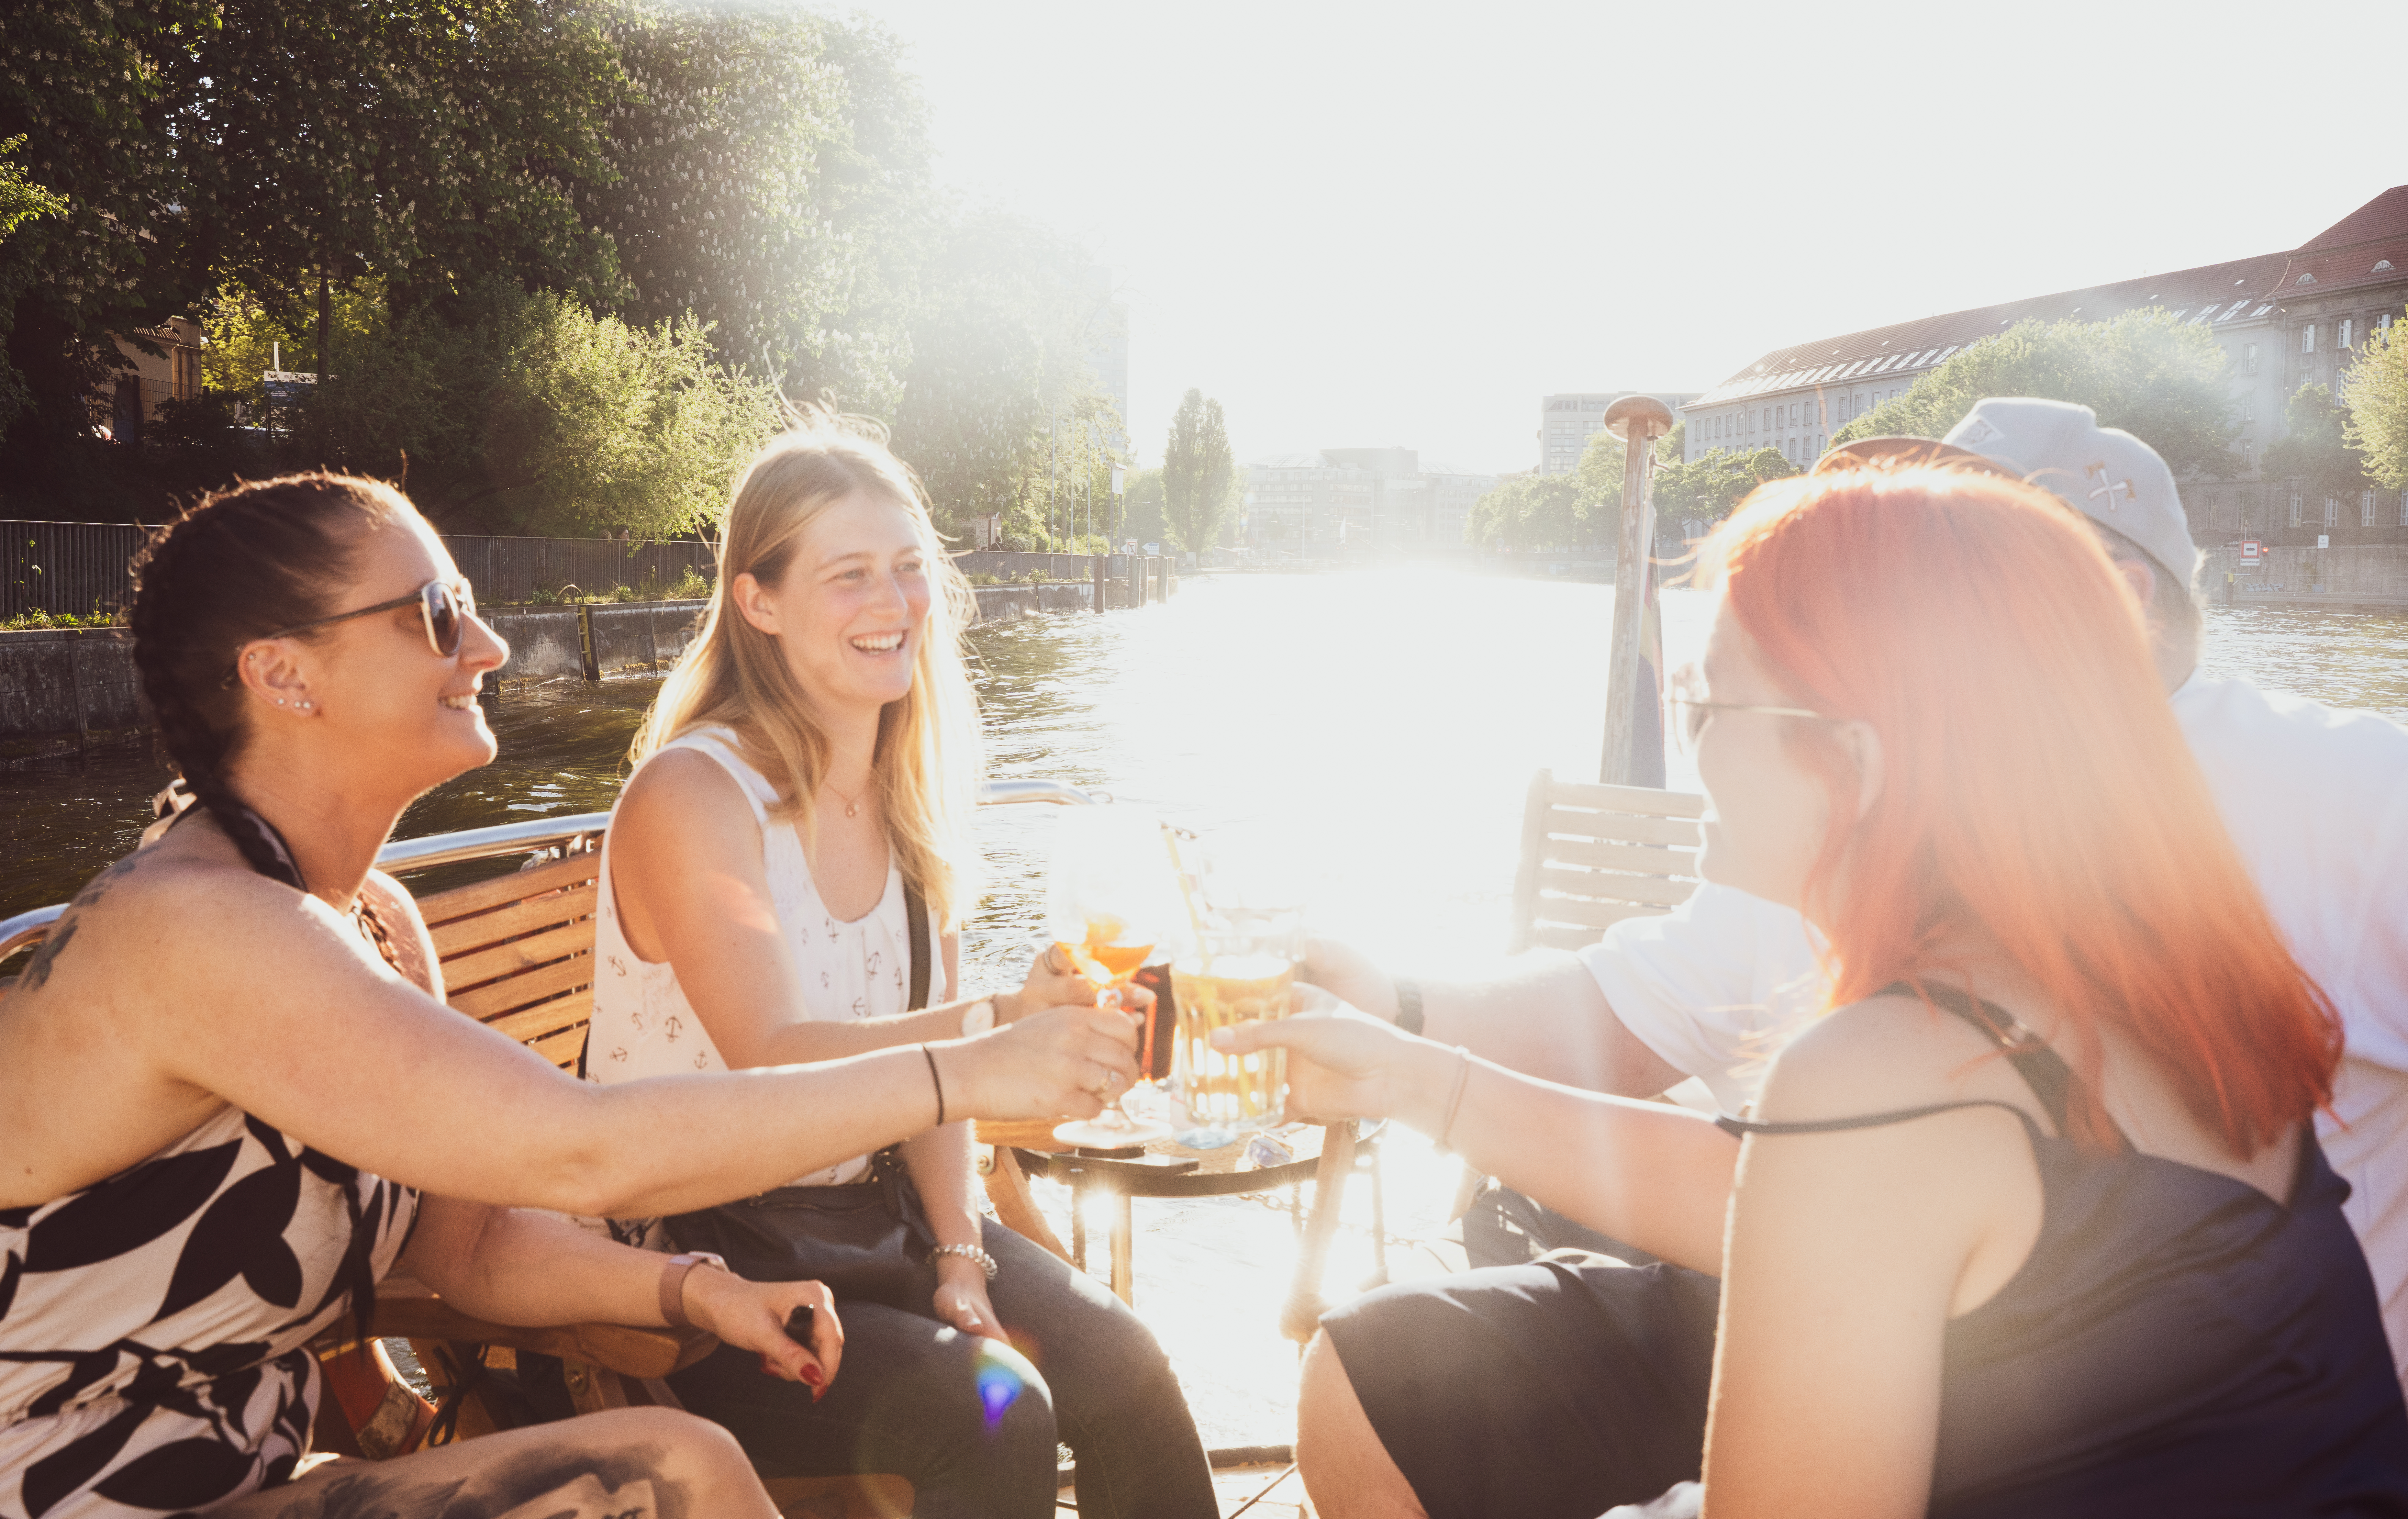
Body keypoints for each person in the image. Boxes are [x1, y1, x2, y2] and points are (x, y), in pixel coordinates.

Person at [1233, 456, 2408, 1518]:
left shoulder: (1881, 1078)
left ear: (1854, 761)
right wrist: (1404, 1058)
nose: (1684, 738)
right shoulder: (2184, 991)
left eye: (1707, 702)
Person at [0, 471, 1141, 1519]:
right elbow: (577, 1152)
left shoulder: (376, 927)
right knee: (671, 1475)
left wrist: (696, 1294)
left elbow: (472, 1250)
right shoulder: (193, 928)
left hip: (234, 1478)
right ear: (283, 672)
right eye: (438, 614)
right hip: (58, 1490)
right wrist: (978, 1057)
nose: (490, 644)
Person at [589, 411, 1217, 1519]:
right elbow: (774, 1060)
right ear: (760, 601)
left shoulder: (904, 795)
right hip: (706, 1272)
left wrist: (963, 1253)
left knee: (1125, 1365)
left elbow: (933, 1094)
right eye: (849, 576)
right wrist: (1000, 1030)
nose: (892, 605)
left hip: (876, 1227)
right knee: (995, 1411)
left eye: (909, 568)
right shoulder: (696, 797)